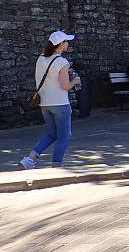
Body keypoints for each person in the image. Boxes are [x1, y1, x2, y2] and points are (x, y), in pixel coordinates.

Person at [19, 31, 82, 169]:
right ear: (60, 44)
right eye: (66, 41)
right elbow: (65, 86)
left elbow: (40, 78)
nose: (68, 43)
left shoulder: (41, 58)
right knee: (63, 136)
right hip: (60, 103)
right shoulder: (62, 61)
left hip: (45, 103)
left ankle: (30, 159)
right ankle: (56, 164)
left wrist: (63, 73)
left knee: (51, 134)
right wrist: (75, 81)